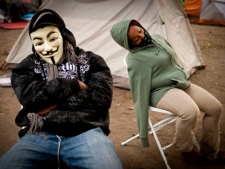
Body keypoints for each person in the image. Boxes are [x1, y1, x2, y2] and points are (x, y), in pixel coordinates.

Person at [0, 9, 123, 169]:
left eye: (52, 38)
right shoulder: (25, 67)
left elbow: (101, 99)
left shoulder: (92, 61)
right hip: (38, 134)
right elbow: (29, 98)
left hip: (86, 132)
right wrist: (72, 84)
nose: (47, 47)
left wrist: (47, 103)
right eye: (38, 42)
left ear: (64, 34)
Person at [110, 19, 225, 164]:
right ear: (129, 44)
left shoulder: (158, 39)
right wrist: (143, 132)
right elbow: (139, 93)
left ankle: (209, 152)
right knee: (190, 112)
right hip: (159, 91)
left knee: (215, 108)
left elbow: (172, 59)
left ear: (139, 25)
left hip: (179, 83)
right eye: (136, 38)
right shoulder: (135, 59)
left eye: (139, 30)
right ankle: (185, 148)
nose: (142, 35)